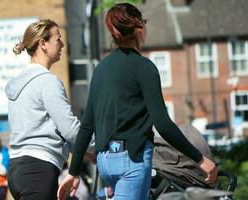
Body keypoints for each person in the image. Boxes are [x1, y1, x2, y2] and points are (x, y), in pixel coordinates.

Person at [57, 3, 218, 200]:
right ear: (139, 28)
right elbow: (163, 125)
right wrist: (200, 159)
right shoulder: (144, 68)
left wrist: (73, 172)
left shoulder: (101, 70)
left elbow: (87, 125)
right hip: (131, 161)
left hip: (105, 161)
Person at [5, 19, 92, 200]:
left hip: (17, 170)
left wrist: (87, 151)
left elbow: (55, 132)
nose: (62, 44)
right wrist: (101, 146)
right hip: (38, 170)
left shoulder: (19, 83)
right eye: (58, 39)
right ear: (43, 44)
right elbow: (70, 129)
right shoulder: (47, 82)